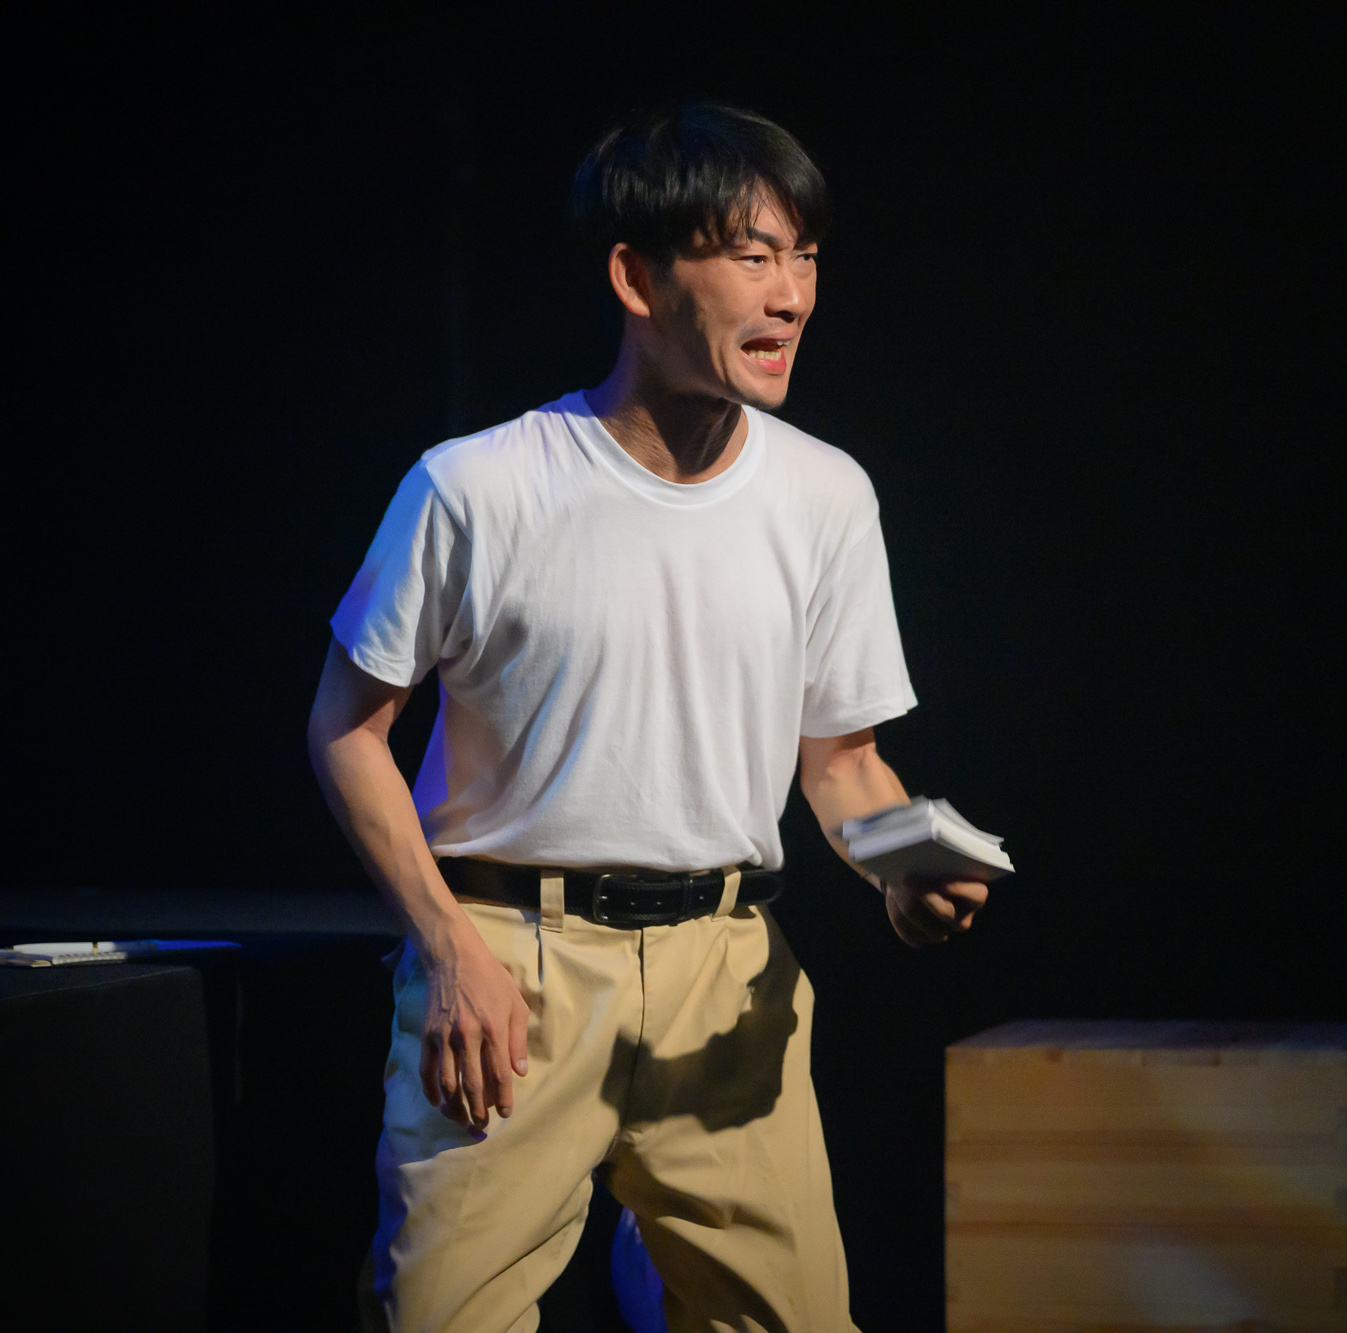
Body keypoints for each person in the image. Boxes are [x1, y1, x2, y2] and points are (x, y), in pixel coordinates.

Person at [306, 102, 988, 1333]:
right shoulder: (479, 486)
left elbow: (841, 760)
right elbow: (346, 732)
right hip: (511, 964)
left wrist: (894, 863)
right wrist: (451, 951)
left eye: (804, 257)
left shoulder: (825, 495)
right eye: (751, 256)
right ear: (635, 277)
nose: (790, 295)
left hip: (725, 971)